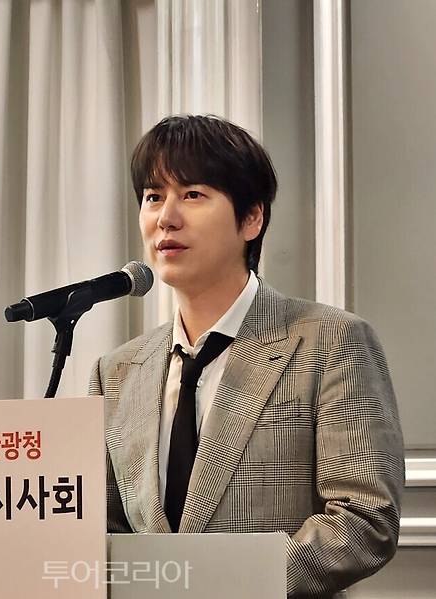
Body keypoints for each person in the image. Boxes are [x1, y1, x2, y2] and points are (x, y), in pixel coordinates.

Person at [89, 115, 404, 598]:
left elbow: (364, 521)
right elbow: (103, 526)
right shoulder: (116, 371)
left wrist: (215, 583)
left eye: (192, 194)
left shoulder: (331, 341)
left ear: (251, 218)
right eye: (153, 196)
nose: (165, 217)